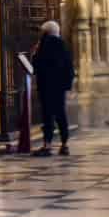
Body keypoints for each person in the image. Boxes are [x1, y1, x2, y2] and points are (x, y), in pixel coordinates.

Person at [30, 20, 74, 157]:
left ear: (46, 32)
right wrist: (66, 85)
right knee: (61, 114)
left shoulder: (44, 45)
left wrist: (35, 53)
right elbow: (69, 67)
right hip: (59, 87)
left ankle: (47, 145)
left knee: (47, 116)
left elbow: (37, 65)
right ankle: (64, 144)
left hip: (47, 86)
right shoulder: (63, 45)